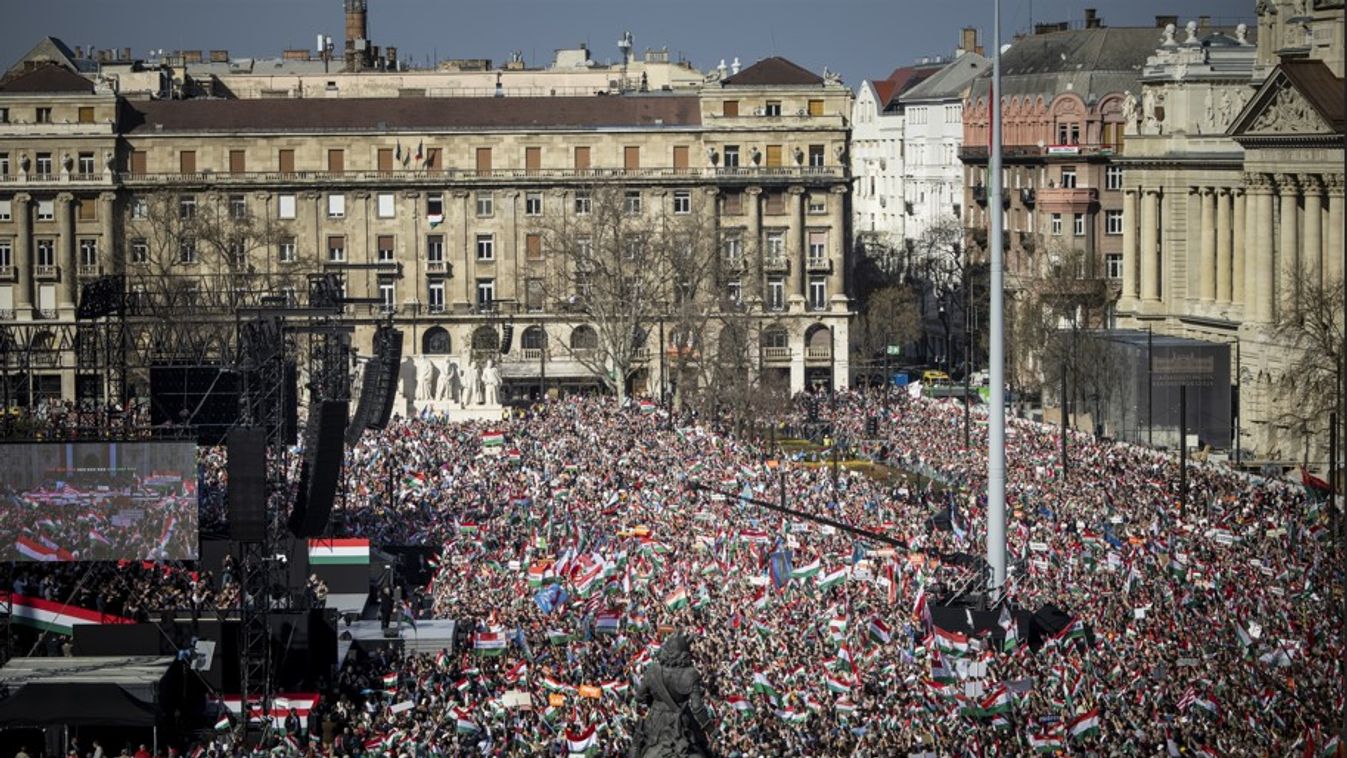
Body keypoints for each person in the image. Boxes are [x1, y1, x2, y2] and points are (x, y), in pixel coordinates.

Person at [631, 632, 714, 758]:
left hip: (655, 723)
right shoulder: (691, 674)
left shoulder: (652, 671)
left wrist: (652, 700)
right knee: (705, 749)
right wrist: (711, 730)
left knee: (636, 749)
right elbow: (697, 708)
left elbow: (639, 697)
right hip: (683, 724)